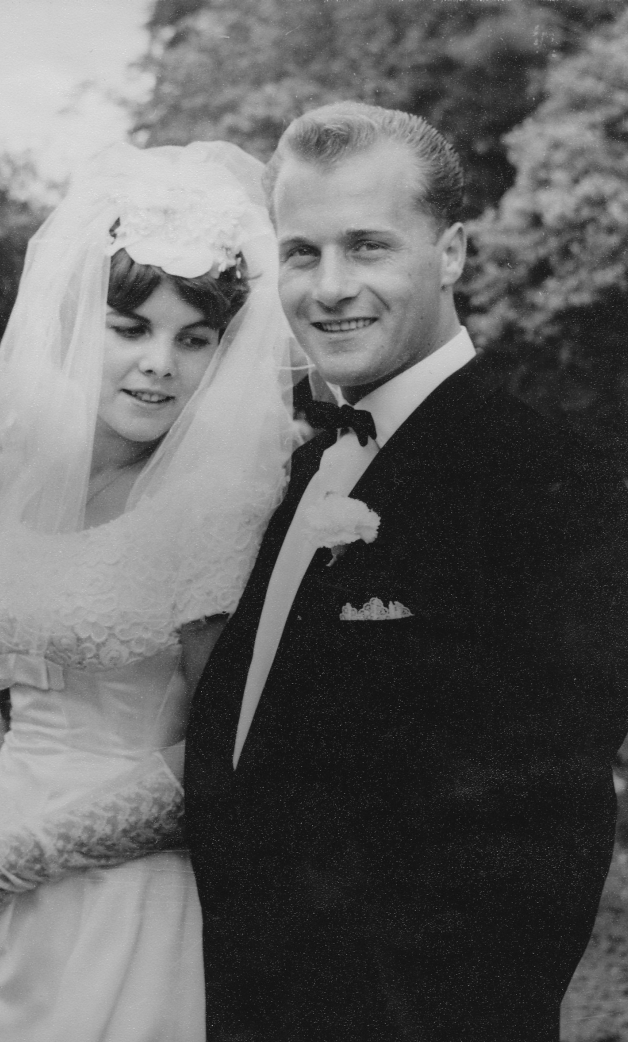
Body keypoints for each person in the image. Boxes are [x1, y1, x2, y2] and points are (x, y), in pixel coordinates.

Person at [184, 102, 628, 1042]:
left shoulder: (549, 480)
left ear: (453, 252)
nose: (329, 287)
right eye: (301, 253)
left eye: (369, 246)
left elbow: (533, 859)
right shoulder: (300, 469)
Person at [0, 141, 296, 1042]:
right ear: (77, 321)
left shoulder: (215, 508)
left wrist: (30, 853)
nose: (159, 366)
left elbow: (217, 759)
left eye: (194, 339)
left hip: (114, 900)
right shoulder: (29, 486)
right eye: (130, 328)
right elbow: (7, 700)